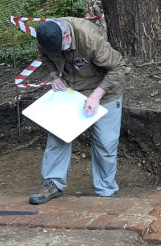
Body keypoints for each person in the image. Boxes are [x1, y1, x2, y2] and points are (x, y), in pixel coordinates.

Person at [29, 18, 129, 204]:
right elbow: (44, 56)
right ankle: (52, 183)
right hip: (72, 91)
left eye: (59, 49)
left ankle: (105, 190)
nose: (55, 54)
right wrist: (54, 76)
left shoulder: (89, 38)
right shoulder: (46, 36)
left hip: (105, 91)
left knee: (105, 144)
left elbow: (117, 68)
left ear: (67, 36)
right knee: (58, 136)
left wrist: (97, 95)